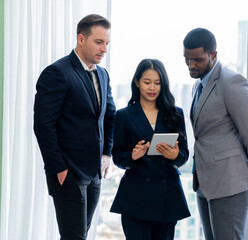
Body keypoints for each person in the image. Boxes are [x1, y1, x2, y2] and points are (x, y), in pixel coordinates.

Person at [33, 14, 116, 239]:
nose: (104, 49)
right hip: (68, 173)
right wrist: (59, 169)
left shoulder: (103, 75)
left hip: (95, 174)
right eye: (99, 42)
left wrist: (107, 153)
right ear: (81, 39)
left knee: (81, 235)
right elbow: (43, 125)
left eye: (107, 43)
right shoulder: (57, 73)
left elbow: (110, 116)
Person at [183, 28, 248, 240]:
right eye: (187, 59)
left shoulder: (232, 82)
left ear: (213, 55)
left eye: (197, 60)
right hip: (205, 181)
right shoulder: (197, 86)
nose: (191, 65)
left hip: (231, 182)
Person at [110, 59, 190, 240]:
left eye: (157, 83)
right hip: (136, 196)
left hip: (167, 196)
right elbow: (117, 157)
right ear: (137, 82)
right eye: (147, 82)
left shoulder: (175, 114)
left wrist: (175, 155)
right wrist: (133, 155)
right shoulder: (124, 115)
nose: (152, 88)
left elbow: (184, 154)